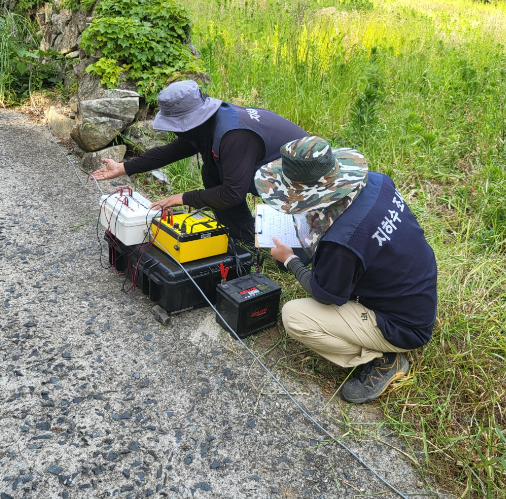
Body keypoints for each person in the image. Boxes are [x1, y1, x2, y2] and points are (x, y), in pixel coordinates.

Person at [254, 136, 438, 404]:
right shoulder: (377, 181)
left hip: (403, 326)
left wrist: (289, 260)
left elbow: (325, 294)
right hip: (417, 293)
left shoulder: (341, 243)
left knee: (295, 316)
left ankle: (383, 359)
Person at [90, 80, 309, 242]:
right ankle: (245, 236)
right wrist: (124, 167)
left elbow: (232, 193)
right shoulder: (207, 125)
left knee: (287, 256)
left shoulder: (233, 135)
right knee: (212, 172)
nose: (176, 133)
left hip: (305, 180)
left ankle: (298, 238)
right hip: (275, 169)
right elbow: (171, 151)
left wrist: (183, 198)